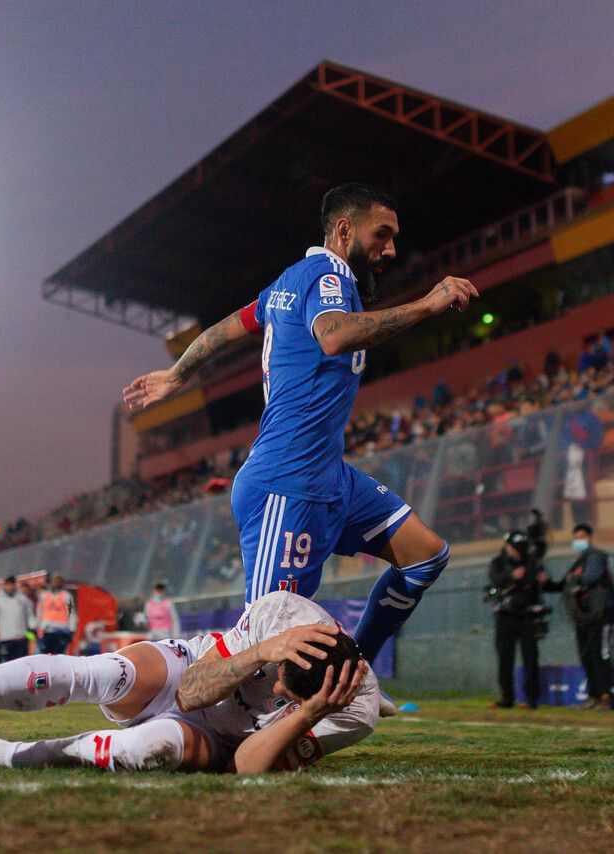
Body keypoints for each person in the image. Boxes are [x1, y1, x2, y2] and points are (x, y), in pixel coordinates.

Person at [123, 184, 474, 666]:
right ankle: (158, 700)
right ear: (344, 230)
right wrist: (424, 305)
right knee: (264, 645)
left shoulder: (290, 283)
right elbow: (333, 337)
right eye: (382, 235)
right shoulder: (324, 273)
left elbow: (225, 329)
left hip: (331, 476)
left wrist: (178, 373)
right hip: (287, 484)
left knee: (426, 555)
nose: (391, 249)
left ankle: (354, 671)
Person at [0, 591, 376, 775]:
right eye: (281, 685)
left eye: (289, 701)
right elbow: (191, 691)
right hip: (188, 674)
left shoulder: (353, 714)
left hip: (220, 739)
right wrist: (262, 652)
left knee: (150, 748)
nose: (278, 697)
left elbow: (245, 769)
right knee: (105, 672)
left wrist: (308, 715)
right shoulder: (280, 612)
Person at [542, 525, 614, 710]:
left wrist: (574, 582)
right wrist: (546, 582)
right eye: (575, 537)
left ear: (590, 537)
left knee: (599, 654)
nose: (578, 540)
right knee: (586, 655)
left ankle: (606, 697)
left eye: (582, 536)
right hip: (584, 615)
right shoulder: (579, 562)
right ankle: (593, 696)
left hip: (600, 614)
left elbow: (590, 577)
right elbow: (563, 585)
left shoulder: (596, 556)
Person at [488, 532, 543, 709]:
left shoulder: (532, 562)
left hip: (527, 616)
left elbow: (539, 587)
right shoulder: (499, 562)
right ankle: (507, 698)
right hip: (505, 616)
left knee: (531, 658)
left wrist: (541, 580)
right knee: (505, 659)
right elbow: (495, 580)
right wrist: (512, 576)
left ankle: (531, 699)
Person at [0, 575, 33, 663]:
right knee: (7, 664)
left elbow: (29, 615)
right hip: (5, 638)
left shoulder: (22, 599)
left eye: (12, 584)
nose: (10, 587)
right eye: (8, 584)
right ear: (5, 585)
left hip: (20, 638)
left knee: (22, 663)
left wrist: (32, 627)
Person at [35, 574, 77, 654]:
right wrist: (38, 627)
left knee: (58, 656)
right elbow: (39, 612)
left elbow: (71, 613)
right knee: (45, 655)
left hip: (61, 630)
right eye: (54, 581)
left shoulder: (67, 596)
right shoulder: (44, 595)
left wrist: (72, 630)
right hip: (47, 630)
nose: (56, 583)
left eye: (58, 582)